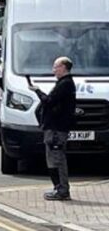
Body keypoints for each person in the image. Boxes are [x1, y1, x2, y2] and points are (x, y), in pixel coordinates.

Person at [29, 57, 76, 201]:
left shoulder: (65, 84)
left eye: (56, 67)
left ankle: (62, 190)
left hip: (57, 128)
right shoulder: (63, 83)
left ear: (63, 67)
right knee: (52, 159)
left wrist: (38, 91)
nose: (53, 70)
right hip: (53, 127)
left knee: (57, 159)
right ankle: (58, 188)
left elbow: (49, 101)